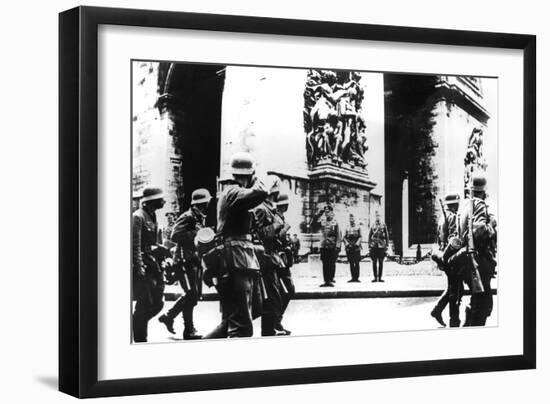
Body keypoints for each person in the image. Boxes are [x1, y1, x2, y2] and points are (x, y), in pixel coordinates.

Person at [204, 151, 268, 338]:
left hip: (242, 260)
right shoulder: (232, 191)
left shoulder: (234, 194)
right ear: (248, 175)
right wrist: (258, 179)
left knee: (249, 312)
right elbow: (261, 192)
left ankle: (200, 350)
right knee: (241, 326)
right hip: (235, 261)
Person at [157, 188, 212, 340]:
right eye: (206, 202)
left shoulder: (199, 217)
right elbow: (175, 235)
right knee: (191, 294)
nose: (208, 204)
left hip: (194, 260)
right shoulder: (188, 217)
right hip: (184, 260)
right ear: (201, 203)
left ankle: (171, 318)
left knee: (194, 295)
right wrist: (196, 233)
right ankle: (187, 329)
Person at [459, 174, 497, 327]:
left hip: (467, 259)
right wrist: (492, 227)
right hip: (479, 260)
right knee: (484, 304)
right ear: (484, 192)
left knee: (478, 300)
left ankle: (469, 328)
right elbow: (480, 230)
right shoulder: (480, 205)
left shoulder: (466, 205)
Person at [132, 187, 167, 343]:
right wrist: (139, 267)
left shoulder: (152, 216)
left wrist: (163, 252)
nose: (163, 201)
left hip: (153, 264)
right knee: (145, 302)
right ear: (151, 201)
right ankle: (140, 338)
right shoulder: (138, 217)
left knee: (158, 302)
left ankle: (137, 322)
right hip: (143, 265)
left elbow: (154, 242)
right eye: (160, 199)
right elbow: (135, 245)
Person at [430, 193, 463, 327]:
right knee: (455, 290)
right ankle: (453, 320)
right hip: (451, 257)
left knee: (455, 287)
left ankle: (437, 310)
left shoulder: (442, 218)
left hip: (444, 255)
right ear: (455, 204)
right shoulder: (453, 217)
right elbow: (455, 239)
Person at [275, 192, 295, 335]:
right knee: (285, 291)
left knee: (289, 290)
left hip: (283, 259)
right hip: (277, 258)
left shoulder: (281, 217)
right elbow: (275, 236)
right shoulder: (276, 218)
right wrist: (285, 229)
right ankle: (275, 321)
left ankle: (277, 320)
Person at [311, 204, 342, 287]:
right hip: (324, 246)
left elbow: (338, 235)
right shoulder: (322, 221)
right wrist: (318, 215)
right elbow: (313, 226)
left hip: (332, 246)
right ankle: (326, 281)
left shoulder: (335, 222)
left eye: (328, 212)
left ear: (331, 212)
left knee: (331, 263)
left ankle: (330, 279)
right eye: (325, 212)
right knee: (325, 263)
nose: (326, 213)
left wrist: (338, 246)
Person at [368, 212, 389, 282]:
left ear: (380, 216)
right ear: (375, 217)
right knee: (374, 262)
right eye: (376, 216)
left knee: (380, 262)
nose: (378, 217)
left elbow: (386, 236)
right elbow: (370, 235)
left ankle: (380, 278)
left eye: (379, 216)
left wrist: (387, 245)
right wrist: (369, 245)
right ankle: (375, 277)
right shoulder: (373, 225)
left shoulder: (383, 225)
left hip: (381, 245)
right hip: (374, 246)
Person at [343, 213, 362, 282]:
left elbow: (360, 236)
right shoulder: (347, 227)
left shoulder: (358, 227)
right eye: (350, 218)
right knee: (351, 262)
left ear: (354, 219)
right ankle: (352, 278)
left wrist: (357, 244)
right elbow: (344, 237)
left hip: (356, 247)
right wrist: (347, 244)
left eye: (352, 218)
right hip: (349, 247)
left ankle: (356, 278)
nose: (351, 220)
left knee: (356, 262)